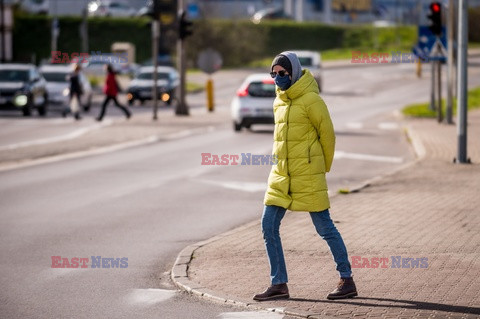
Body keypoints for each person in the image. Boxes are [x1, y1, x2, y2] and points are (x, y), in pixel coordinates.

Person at [253, 52, 357, 302]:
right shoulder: (279, 102)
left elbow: (328, 136)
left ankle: (347, 279)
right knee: (268, 226)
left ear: (294, 73)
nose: (278, 78)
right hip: (280, 175)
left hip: (308, 174)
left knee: (325, 228)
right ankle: (279, 284)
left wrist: (321, 168)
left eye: (282, 73)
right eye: (274, 74)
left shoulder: (312, 100)